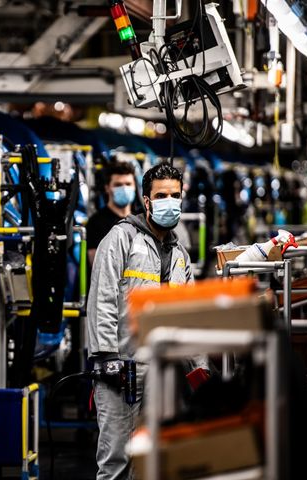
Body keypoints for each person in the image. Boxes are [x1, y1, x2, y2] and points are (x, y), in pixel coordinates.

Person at [86, 163, 202, 480]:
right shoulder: (121, 239)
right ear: (146, 201)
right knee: (116, 462)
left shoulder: (180, 254)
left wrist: (198, 368)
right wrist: (106, 357)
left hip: (162, 372)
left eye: (175, 195)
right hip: (121, 369)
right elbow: (102, 299)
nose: (170, 201)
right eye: (161, 195)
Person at [87, 161, 138, 266]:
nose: (124, 188)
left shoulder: (141, 220)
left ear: (134, 187)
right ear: (107, 188)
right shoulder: (96, 223)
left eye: (128, 184)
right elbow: (97, 264)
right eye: (118, 185)